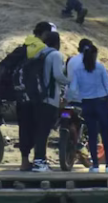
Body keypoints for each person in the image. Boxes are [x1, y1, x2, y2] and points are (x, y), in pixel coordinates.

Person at [0, 21, 57, 171]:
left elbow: (3, 67)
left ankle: (24, 162)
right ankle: (39, 160)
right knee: (38, 127)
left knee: (24, 126)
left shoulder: (23, 47)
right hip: (36, 96)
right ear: (45, 34)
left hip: (20, 94)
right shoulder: (42, 49)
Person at [68, 42, 108, 173]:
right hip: (102, 103)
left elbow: (73, 88)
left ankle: (95, 166)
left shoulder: (78, 69)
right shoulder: (100, 67)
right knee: (105, 134)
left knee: (92, 134)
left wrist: (67, 100)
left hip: (87, 104)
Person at [30, 31, 70, 172]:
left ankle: (39, 159)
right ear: (57, 43)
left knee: (40, 130)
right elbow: (58, 75)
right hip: (49, 98)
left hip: (37, 97)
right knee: (44, 131)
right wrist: (71, 82)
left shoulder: (39, 53)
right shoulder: (56, 55)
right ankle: (40, 162)